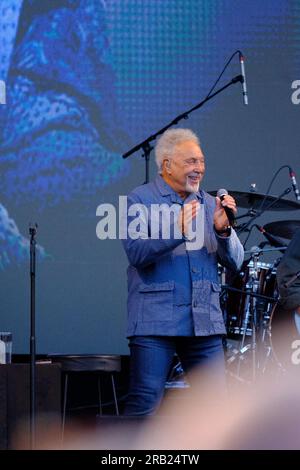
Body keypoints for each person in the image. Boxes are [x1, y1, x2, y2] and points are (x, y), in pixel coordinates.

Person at [122, 128, 244, 416]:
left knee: (216, 412)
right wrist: (176, 229)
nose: (199, 168)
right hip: (155, 321)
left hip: (204, 322)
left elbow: (236, 262)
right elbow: (137, 253)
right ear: (166, 165)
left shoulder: (210, 203)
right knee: (144, 406)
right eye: (190, 161)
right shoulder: (140, 199)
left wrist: (223, 230)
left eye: (201, 161)